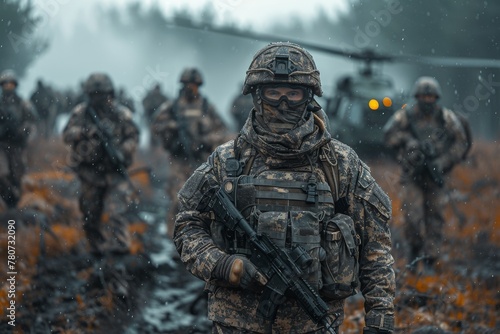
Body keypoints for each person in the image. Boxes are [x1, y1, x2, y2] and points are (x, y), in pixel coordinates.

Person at [173, 42, 395, 333]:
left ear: (309, 97)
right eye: (273, 93)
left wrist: (381, 321)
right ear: (257, 94)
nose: (283, 103)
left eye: (293, 93)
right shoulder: (227, 160)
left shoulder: (339, 163)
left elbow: (376, 247)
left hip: (312, 323)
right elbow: (187, 224)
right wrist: (223, 265)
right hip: (236, 322)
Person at [383, 76, 468, 273]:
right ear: (417, 96)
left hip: (436, 174)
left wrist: (444, 161)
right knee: (412, 217)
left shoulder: (446, 117)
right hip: (412, 175)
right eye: (423, 96)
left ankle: (430, 258)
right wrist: (408, 140)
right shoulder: (406, 116)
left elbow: (460, 142)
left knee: (435, 218)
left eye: (430, 96)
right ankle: (414, 251)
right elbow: (388, 135)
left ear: (436, 98)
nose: (427, 100)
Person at [62, 72, 139, 256]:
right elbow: (67, 135)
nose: (99, 98)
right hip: (90, 173)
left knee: (116, 212)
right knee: (90, 214)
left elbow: (133, 136)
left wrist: (122, 151)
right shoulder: (81, 113)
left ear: (110, 94)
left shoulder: (121, 113)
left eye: (102, 94)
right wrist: (86, 132)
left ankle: (120, 248)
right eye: (95, 94)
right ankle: (96, 249)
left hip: (114, 171)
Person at [152, 67, 229, 237]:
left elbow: (222, 132)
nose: (190, 88)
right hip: (179, 162)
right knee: (177, 200)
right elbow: (156, 127)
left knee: (203, 201)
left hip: (201, 161)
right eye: (187, 84)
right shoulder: (171, 107)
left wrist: (204, 141)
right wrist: (172, 129)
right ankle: (176, 239)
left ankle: (200, 239)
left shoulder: (207, 107)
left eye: (194, 85)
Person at [0, 69, 38, 209]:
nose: (8, 87)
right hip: (1, 145)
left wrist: (24, 133)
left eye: (11, 85)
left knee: (17, 176)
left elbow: (32, 123)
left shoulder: (23, 104)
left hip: (17, 145)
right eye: (5, 85)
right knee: (2, 174)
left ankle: (14, 204)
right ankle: (8, 198)